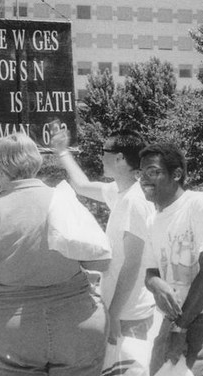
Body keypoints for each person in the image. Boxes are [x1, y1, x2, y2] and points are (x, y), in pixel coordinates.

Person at [0, 133, 110, 376]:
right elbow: (102, 259)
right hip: (78, 325)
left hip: (10, 333)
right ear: (35, 164)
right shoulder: (65, 200)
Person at [140, 142, 203, 376]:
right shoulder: (153, 218)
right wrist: (155, 284)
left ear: (177, 174)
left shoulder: (202, 205)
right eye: (141, 174)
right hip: (172, 322)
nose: (144, 180)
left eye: (152, 172)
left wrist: (180, 328)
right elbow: (150, 273)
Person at [51, 129, 156, 348]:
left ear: (119, 158)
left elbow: (132, 264)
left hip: (129, 315)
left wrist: (114, 314)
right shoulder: (120, 192)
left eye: (104, 151)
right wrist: (62, 151)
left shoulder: (135, 201)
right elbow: (81, 186)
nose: (101, 157)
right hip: (122, 310)